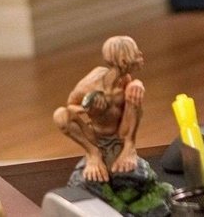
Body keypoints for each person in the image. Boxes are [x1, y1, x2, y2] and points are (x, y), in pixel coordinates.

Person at [53, 35, 147, 182]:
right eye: (136, 53)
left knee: (134, 89)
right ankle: (93, 154)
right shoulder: (91, 83)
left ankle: (129, 148)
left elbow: (132, 108)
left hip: (120, 134)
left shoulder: (125, 79)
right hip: (95, 136)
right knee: (60, 115)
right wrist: (87, 107)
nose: (140, 55)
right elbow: (70, 106)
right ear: (123, 61)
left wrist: (138, 84)